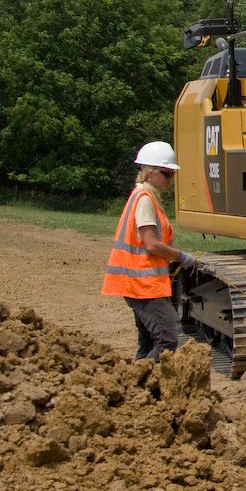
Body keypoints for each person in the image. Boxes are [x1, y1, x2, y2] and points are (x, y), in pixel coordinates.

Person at [101, 140, 196, 361]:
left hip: (139, 283)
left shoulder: (143, 196)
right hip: (143, 285)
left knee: (148, 343)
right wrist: (181, 256)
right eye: (167, 173)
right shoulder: (144, 199)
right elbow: (151, 244)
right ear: (151, 173)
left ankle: (138, 385)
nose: (170, 179)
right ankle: (140, 383)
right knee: (166, 341)